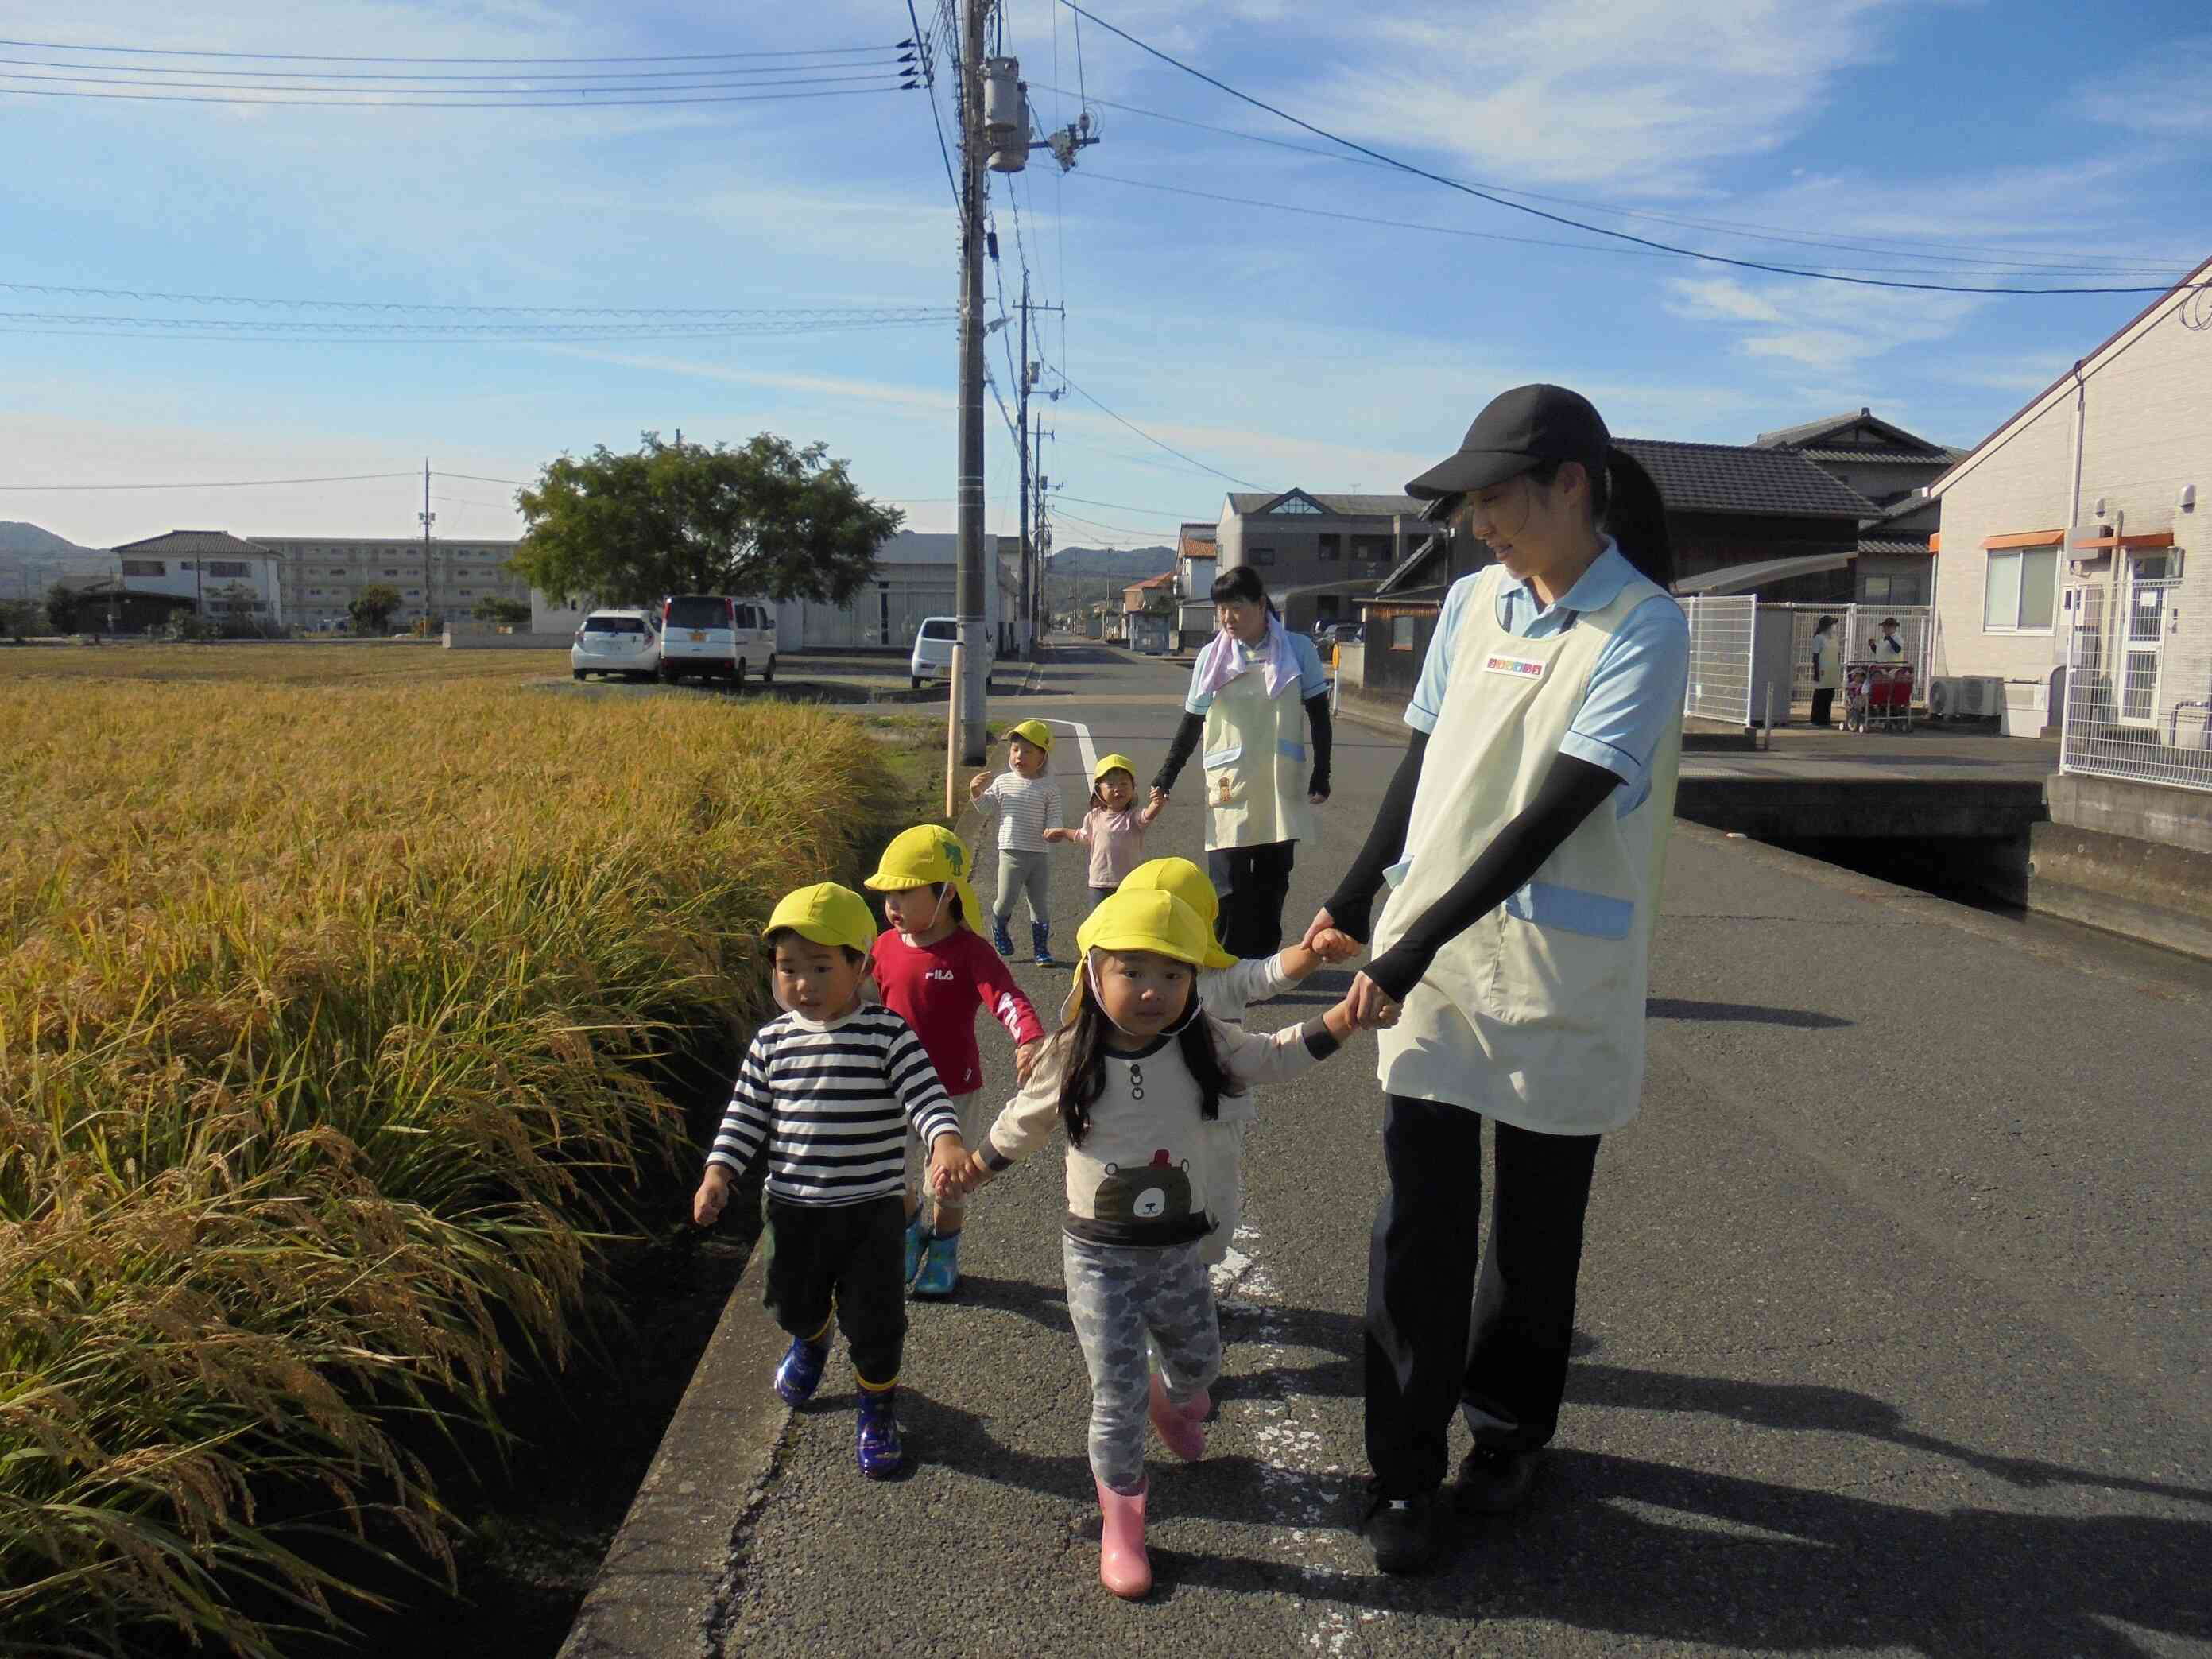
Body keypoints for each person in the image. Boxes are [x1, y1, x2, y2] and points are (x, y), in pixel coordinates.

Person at [1300, 382, 1689, 1573]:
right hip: (1431, 960)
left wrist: (1406, 945)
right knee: (1415, 1223)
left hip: (1555, 971)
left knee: (1531, 1232)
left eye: (1493, 498)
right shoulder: (1471, 603)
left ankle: (1509, 1432)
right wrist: (1357, 894)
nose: (1475, 523)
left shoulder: (1642, 625)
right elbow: (1425, 764)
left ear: (1571, 484)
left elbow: (1549, 814)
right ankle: (1402, 1473)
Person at [943, 887, 1384, 1599]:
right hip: (1098, 1255)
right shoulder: (1070, 1053)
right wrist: (971, 1170)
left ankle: (1166, 1392)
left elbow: (1273, 1056)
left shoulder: (1203, 1041)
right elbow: (1019, 1126)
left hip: (1179, 1248)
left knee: (1200, 1369)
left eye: (1172, 974)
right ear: (1092, 973)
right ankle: (1124, 1524)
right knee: (1112, 1396)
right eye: (1132, 971)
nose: (1153, 990)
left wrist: (1341, 1020)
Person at [691, 882, 967, 1480]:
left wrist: (944, 1141)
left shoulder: (886, 1034)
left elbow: (926, 1095)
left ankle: (876, 1405)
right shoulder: (770, 1043)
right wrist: (719, 1172)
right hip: (792, 1210)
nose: (803, 984)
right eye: (788, 968)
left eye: (821, 967)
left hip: (871, 1212)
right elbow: (744, 1114)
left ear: (860, 965)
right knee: (790, 1300)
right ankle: (811, 1339)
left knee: (876, 1318)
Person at [1111, 856, 1358, 1274]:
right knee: (1144, 1199)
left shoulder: (1222, 977)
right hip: (1145, 1113)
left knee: (1216, 1202)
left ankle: (1200, 1274)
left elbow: (1272, 974)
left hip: (1216, 1115)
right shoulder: (1119, 977)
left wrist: (1312, 952)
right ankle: (1149, 1280)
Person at [864, 825, 1046, 1299]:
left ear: (946, 894)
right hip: (891, 1086)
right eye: (888, 895)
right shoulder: (882, 948)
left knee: (948, 1179)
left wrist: (1028, 1038)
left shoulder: (969, 953)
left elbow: (1005, 997)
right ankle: (908, 1236)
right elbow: (855, 1000)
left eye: (905, 893)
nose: (892, 906)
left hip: (953, 1088)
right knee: (892, 1174)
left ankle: (944, 1247)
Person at [1148, 564, 1333, 958]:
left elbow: (1318, 715)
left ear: (1261, 604)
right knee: (1227, 885)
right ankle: (1225, 963)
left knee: (1273, 881)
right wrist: (1166, 775)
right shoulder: (1210, 659)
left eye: (1236, 607)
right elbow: (1192, 720)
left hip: (1280, 780)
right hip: (1228, 778)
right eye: (1221, 610)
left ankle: (1261, 966)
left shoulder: (1298, 650)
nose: (1227, 618)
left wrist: (1322, 772)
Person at [968, 718, 1064, 963]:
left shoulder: (1049, 787)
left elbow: (1054, 816)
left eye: (1028, 751)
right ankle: (998, 926)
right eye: (1015, 750)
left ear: (1042, 757)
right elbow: (987, 808)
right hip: (1011, 852)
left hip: (1038, 854)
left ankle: (1041, 950)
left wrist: (1054, 830)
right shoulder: (1003, 782)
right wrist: (977, 792)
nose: (1019, 756)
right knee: (1006, 900)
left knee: (1039, 903)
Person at [1044, 752, 1162, 910]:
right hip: (1099, 883)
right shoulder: (1093, 816)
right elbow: (1083, 836)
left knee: (1125, 921)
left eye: (1124, 784)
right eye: (1111, 785)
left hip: (1129, 882)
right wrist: (1064, 832)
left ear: (1133, 788)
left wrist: (1157, 802)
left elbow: (1148, 815)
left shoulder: (1133, 817)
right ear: (1099, 790)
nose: (1118, 789)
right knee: (1099, 921)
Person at [1809, 614, 1842, 728]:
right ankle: (1817, 719)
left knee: (1829, 694)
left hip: (1832, 670)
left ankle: (1826, 719)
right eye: (1833, 624)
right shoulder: (1818, 638)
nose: (1835, 627)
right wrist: (1816, 672)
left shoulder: (1835, 638)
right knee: (1820, 694)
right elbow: (1815, 656)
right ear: (1826, 626)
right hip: (1822, 669)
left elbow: (1838, 653)